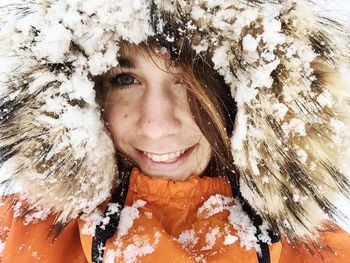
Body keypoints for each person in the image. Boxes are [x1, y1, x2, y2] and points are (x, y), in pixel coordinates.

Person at [0, 0, 350, 262]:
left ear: (243, 94)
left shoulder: (327, 255)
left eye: (190, 82)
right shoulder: (13, 235)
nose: (157, 125)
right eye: (125, 80)